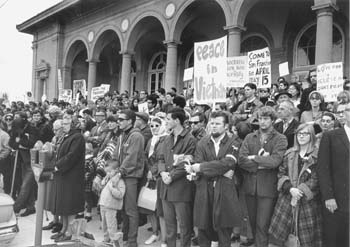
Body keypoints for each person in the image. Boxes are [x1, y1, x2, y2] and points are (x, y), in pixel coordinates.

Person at [186, 111, 241, 247]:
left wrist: (201, 167)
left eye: (218, 123)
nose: (214, 126)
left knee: (224, 231)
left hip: (224, 192)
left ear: (226, 126)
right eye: (212, 123)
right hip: (204, 190)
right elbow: (201, 163)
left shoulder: (234, 142)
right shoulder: (202, 142)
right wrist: (219, 171)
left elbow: (228, 163)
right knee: (203, 230)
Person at [239, 106, 288, 247]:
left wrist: (254, 157)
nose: (262, 122)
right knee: (253, 223)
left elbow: (275, 161)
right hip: (250, 187)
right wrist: (260, 164)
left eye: (266, 119)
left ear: (272, 120)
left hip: (267, 188)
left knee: (263, 224)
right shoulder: (250, 137)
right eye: (260, 118)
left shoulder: (281, 138)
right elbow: (241, 160)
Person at [269, 123, 322, 246]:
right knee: (282, 237)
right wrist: (290, 189)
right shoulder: (290, 153)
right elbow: (281, 173)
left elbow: (317, 178)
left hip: (307, 201)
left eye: (305, 134)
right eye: (299, 134)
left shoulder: (318, 155)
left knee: (307, 239)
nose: (301, 136)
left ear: (312, 136)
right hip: (287, 198)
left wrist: (299, 191)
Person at [157, 107, 196, 247]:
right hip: (166, 188)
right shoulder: (167, 138)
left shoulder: (190, 139)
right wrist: (162, 173)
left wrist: (171, 176)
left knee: (185, 226)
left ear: (177, 120)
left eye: (168, 119)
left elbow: (188, 162)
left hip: (181, 189)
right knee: (169, 225)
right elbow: (160, 158)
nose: (165, 122)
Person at [317, 102, 350, 247]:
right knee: (335, 239)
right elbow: (323, 169)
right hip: (338, 199)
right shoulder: (331, 136)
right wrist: (329, 196)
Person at [111, 109, 145, 247]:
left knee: (130, 210)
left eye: (121, 119)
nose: (118, 122)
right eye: (118, 119)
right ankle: (125, 238)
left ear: (130, 121)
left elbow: (132, 158)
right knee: (123, 209)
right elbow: (115, 156)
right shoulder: (122, 135)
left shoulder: (136, 136)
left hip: (130, 176)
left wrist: (119, 172)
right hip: (121, 174)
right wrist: (111, 170)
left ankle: (132, 241)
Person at [51, 114, 86, 242]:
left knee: (70, 205)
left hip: (72, 176)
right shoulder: (68, 136)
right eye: (63, 123)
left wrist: (57, 166)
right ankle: (63, 229)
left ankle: (69, 232)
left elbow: (71, 156)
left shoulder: (77, 137)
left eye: (66, 124)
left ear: (73, 125)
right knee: (63, 205)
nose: (63, 126)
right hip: (64, 175)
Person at [9, 112, 39, 216]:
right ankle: (31, 207)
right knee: (27, 185)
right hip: (22, 162)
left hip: (32, 162)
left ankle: (15, 208)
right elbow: (11, 143)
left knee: (25, 186)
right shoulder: (16, 128)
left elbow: (30, 144)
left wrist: (20, 141)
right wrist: (20, 143)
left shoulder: (32, 129)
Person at [144, 117, 168, 246]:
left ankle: (164, 239)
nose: (153, 128)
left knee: (161, 210)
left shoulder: (165, 139)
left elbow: (161, 159)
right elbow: (146, 157)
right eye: (152, 126)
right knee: (149, 207)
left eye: (156, 125)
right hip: (150, 176)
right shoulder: (150, 141)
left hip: (159, 176)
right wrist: (149, 171)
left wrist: (152, 172)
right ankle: (155, 233)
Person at [98, 169, 125, 247]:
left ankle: (114, 242)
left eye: (110, 171)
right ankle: (106, 240)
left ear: (116, 172)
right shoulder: (108, 180)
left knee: (111, 225)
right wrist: (104, 180)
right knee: (104, 224)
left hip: (111, 206)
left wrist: (111, 188)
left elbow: (120, 194)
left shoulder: (120, 182)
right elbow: (101, 187)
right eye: (107, 171)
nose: (108, 173)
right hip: (103, 204)